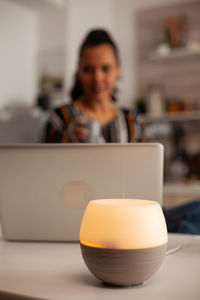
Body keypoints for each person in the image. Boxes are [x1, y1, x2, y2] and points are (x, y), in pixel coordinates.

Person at [44, 29, 142, 143]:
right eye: (88, 69)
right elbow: (42, 160)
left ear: (118, 70)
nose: (97, 78)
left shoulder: (131, 119)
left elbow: (146, 159)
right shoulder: (58, 119)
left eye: (105, 68)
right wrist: (64, 142)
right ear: (79, 71)